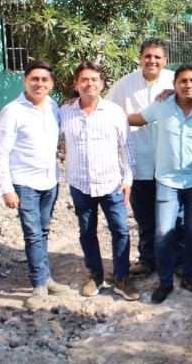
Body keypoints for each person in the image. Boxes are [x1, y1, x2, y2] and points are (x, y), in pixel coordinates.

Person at [127, 64, 192, 304]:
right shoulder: (162, 107)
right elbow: (138, 119)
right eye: (183, 81)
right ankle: (165, 281)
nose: (187, 85)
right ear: (174, 84)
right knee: (163, 232)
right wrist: (102, 110)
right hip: (167, 181)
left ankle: (189, 275)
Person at [0, 60, 70, 310]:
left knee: (44, 232)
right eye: (34, 79)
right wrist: (7, 188)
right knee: (33, 234)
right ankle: (38, 284)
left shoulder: (53, 105)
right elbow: (1, 153)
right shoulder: (12, 111)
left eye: (44, 80)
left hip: (50, 181)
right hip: (24, 183)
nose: (39, 84)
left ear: (51, 84)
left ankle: (47, 279)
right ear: (25, 80)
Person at [60, 61, 139, 301]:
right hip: (79, 183)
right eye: (84, 80)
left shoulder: (114, 112)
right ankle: (95, 275)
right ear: (76, 85)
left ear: (102, 84)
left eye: (94, 79)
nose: (89, 84)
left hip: (111, 184)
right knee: (86, 231)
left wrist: (128, 180)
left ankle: (121, 277)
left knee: (120, 231)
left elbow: (127, 148)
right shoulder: (64, 112)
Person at [105, 38, 185, 277]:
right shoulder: (124, 85)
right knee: (145, 216)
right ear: (141, 58)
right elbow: (106, 109)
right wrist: (78, 104)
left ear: (165, 60)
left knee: (176, 217)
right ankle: (148, 259)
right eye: (148, 56)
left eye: (157, 57)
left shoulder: (176, 80)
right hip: (139, 161)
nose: (152, 61)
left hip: (170, 162)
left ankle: (178, 261)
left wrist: (177, 91)